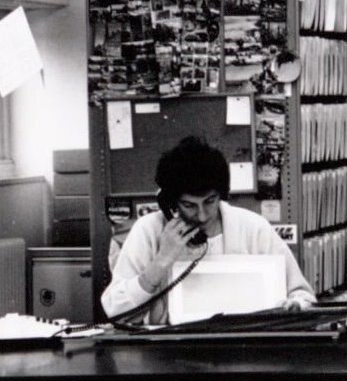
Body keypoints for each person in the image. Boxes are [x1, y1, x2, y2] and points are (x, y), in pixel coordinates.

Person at [102, 134, 315, 323]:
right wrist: (161, 262)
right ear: (171, 202)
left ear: (221, 194)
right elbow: (115, 310)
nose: (202, 215)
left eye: (210, 201)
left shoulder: (253, 228)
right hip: (169, 348)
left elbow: (302, 294)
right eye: (189, 205)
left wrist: (295, 304)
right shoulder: (149, 230)